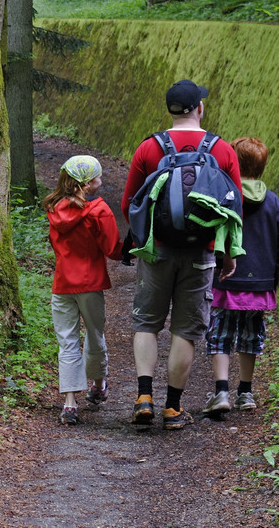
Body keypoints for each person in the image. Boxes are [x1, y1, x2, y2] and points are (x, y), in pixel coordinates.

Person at [121, 79, 242, 430]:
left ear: (170, 110)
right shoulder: (221, 150)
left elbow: (131, 203)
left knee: (147, 322)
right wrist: (228, 255)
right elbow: (234, 211)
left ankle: (144, 397)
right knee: (185, 330)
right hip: (200, 253)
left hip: (157, 250)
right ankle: (173, 408)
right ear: (199, 108)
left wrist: (144, 241)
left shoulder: (149, 148)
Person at [203, 137, 279, 415]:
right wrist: (272, 278)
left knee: (220, 335)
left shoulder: (225, 196)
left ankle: (221, 391)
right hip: (259, 283)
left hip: (225, 281)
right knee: (251, 336)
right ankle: (246, 393)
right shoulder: (272, 201)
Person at [44, 155, 121, 425]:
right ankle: (98, 385)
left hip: (62, 284)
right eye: (99, 176)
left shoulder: (53, 208)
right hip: (90, 285)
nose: (102, 179)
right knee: (94, 334)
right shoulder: (99, 210)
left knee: (67, 342)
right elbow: (112, 250)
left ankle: (69, 403)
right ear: (87, 184)